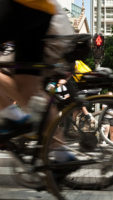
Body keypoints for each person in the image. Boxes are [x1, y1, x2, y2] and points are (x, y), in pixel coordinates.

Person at [0, 0, 77, 162]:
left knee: (16, 79)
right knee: (28, 86)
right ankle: (62, 155)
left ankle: (14, 118)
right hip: (42, 12)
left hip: (22, 6)